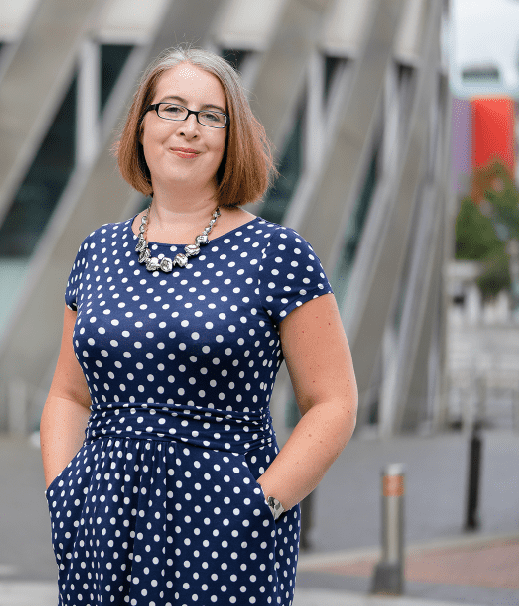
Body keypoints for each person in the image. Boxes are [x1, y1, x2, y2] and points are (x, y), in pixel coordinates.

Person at [40, 46, 358, 606]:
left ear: (231, 139)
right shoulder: (98, 252)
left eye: (211, 115)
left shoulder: (277, 254)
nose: (189, 128)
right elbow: (68, 394)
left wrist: (260, 506)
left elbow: (334, 401)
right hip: (100, 522)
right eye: (171, 109)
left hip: (227, 529)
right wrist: (65, 495)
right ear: (141, 125)